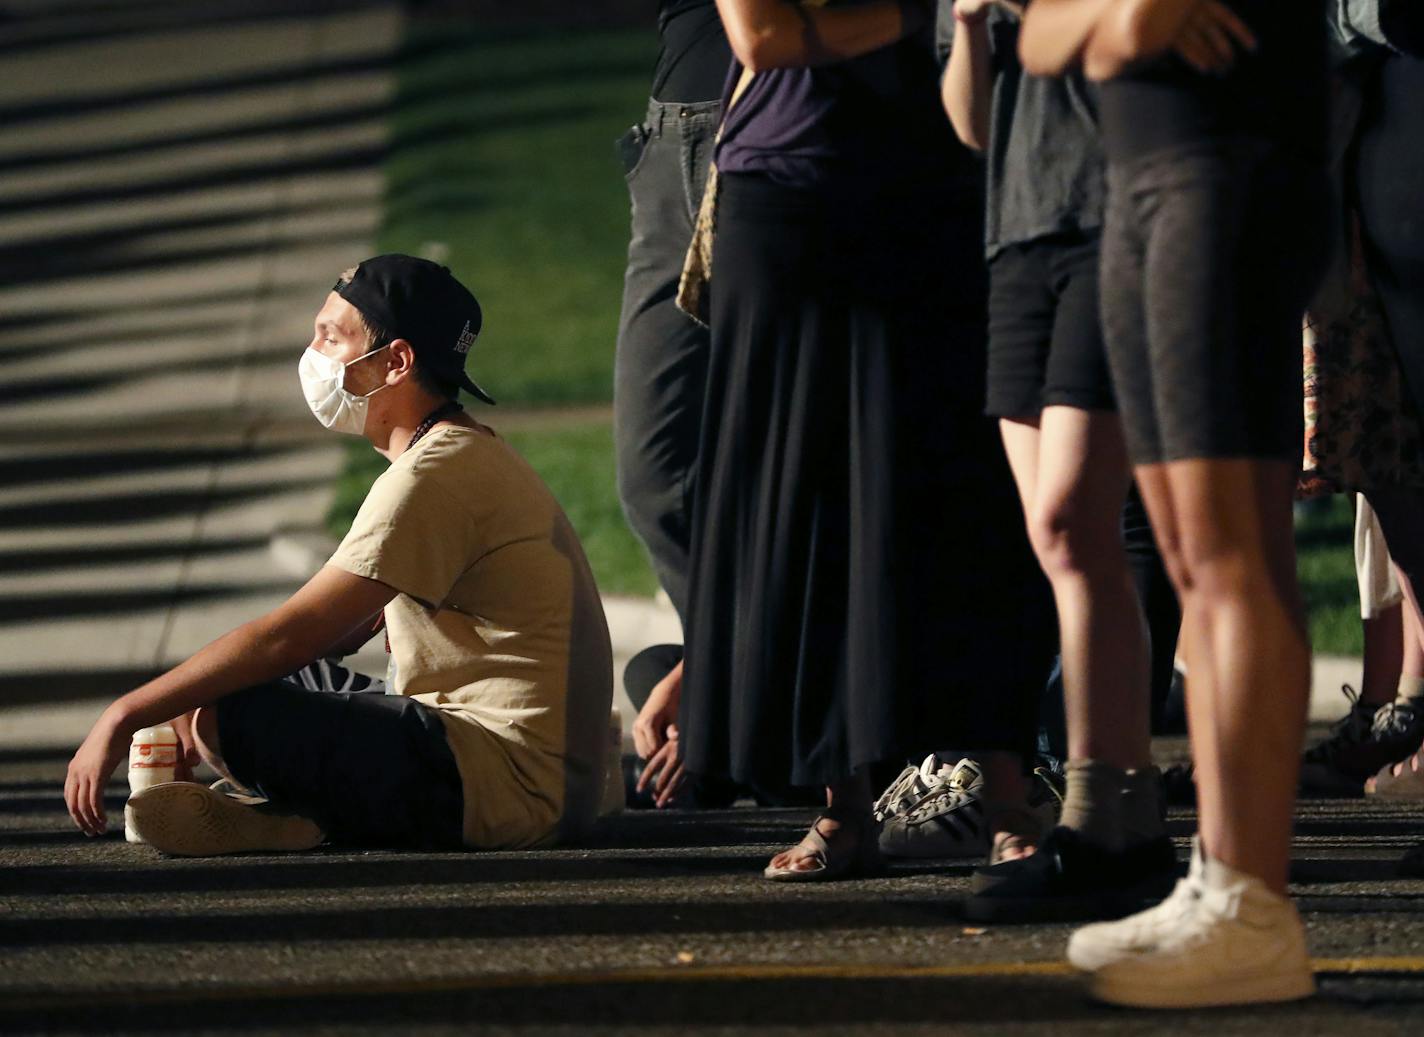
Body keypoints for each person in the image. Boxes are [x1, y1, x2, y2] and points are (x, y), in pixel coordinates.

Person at [676, 0, 1057, 882]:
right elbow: (761, 36)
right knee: (807, 501)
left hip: (940, 187)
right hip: (788, 196)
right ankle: (842, 804)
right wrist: (911, 12)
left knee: (960, 501)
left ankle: (1007, 794)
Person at [65, 255, 614, 855]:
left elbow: (287, 637)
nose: (314, 351)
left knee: (222, 706)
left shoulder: (432, 478)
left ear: (396, 362)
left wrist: (125, 712)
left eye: (332, 336)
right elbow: (330, 638)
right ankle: (292, 819)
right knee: (247, 684)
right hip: (518, 771)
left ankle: (295, 812)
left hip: (504, 788)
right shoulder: (460, 453)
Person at [1021, 0, 1329, 1009]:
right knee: (1193, 559)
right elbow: (1042, 37)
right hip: (1140, 180)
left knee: (1230, 553)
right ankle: (1219, 880)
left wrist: (1104, 21)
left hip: (1226, 173)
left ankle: (1251, 904)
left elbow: (1101, 32)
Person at [932, 0, 1175, 920]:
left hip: (1111, 218)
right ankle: (1122, 816)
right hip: (1018, 234)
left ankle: (1101, 812)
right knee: (1058, 538)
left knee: (1075, 523)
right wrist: (971, 23)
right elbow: (970, 124)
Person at [613, 6, 730, 809]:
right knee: (654, 475)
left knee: (795, 447)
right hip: (670, 137)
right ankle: (726, 687)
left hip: (776, 114)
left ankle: (742, 710)